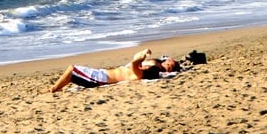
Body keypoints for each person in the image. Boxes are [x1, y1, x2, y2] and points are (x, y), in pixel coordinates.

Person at [49, 48, 180, 93]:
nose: (168, 62)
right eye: (169, 61)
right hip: (102, 75)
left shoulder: (147, 72)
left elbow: (135, 67)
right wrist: (143, 55)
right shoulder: (153, 65)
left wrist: (139, 60)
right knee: (73, 71)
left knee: (72, 69)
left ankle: (53, 89)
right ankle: (56, 88)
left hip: (101, 79)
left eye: (170, 65)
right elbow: (135, 61)